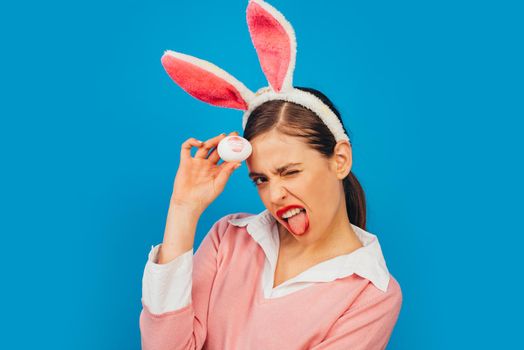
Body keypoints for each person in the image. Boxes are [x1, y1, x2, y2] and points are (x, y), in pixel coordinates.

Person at [140, 1, 402, 348]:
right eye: (261, 179)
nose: (274, 194)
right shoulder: (228, 239)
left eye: (289, 172)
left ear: (339, 159)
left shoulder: (371, 293)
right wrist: (183, 209)